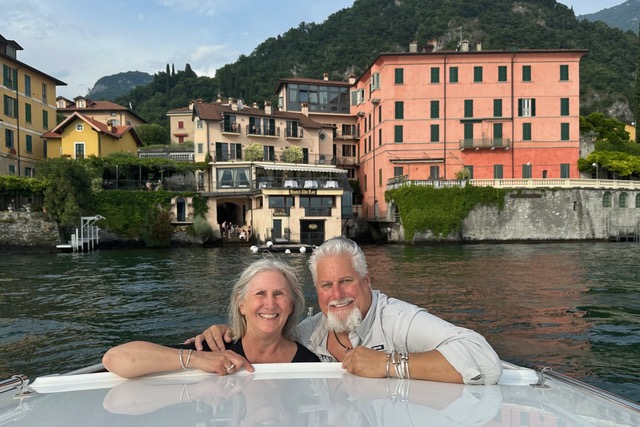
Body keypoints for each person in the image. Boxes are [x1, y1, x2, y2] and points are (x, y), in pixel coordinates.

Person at [188, 237, 502, 385]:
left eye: (346, 281)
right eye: (326, 285)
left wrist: (390, 364)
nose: (337, 295)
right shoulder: (308, 333)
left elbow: (484, 358)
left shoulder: (395, 319)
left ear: (367, 280)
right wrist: (225, 332)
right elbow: (266, 336)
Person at [103, 258, 319, 378]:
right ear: (241, 304)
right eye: (260, 294)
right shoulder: (213, 348)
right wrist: (197, 359)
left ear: (290, 305)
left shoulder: (310, 363)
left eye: (279, 294)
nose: (270, 304)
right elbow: (114, 359)